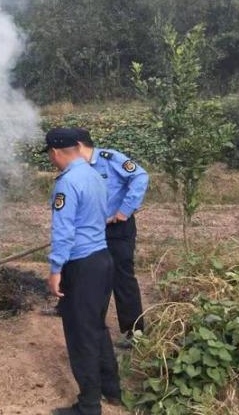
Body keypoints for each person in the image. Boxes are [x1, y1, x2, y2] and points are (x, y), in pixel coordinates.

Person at [44, 128, 120, 415]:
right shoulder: (93, 174)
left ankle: (88, 406)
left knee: (81, 336)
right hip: (103, 259)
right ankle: (112, 391)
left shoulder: (66, 183)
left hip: (82, 265)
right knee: (97, 329)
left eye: (50, 155)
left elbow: (63, 232)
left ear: (54, 153)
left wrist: (55, 270)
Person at [72, 128, 149, 341]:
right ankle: (91, 330)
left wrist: (125, 210)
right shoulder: (74, 169)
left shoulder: (110, 158)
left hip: (117, 229)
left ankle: (135, 332)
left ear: (78, 145)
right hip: (90, 229)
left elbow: (140, 177)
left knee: (121, 278)